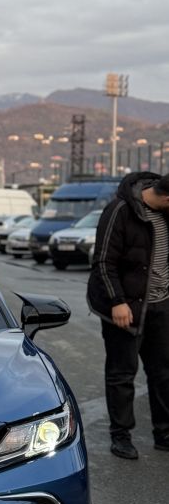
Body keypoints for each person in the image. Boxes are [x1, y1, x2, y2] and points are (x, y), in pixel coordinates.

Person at [87, 171, 169, 459]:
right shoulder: (120, 210)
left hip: (161, 306)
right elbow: (103, 261)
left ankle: (164, 433)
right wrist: (117, 301)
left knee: (163, 373)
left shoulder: (166, 215)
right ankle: (121, 436)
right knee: (122, 374)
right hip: (125, 307)